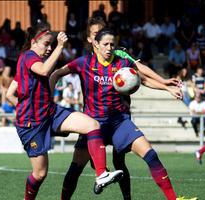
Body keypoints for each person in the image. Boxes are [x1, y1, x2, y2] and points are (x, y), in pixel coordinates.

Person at [51, 18, 186, 199]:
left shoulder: (122, 63)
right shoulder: (84, 63)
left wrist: (166, 87)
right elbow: (57, 73)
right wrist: (49, 100)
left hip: (119, 122)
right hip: (92, 125)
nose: (109, 48)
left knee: (151, 155)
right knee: (74, 170)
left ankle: (173, 198)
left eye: (112, 44)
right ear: (95, 44)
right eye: (105, 44)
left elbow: (143, 79)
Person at [5, 24, 123, 200]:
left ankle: (101, 174)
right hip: (32, 124)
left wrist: (25, 106)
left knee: (92, 124)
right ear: (33, 42)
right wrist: (60, 46)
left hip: (50, 113)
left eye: (52, 44)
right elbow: (44, 71)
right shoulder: (29, 56)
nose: (49, 47)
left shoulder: (28, 61)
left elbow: (9, 94)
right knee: (40, 174)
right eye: (46, 44)